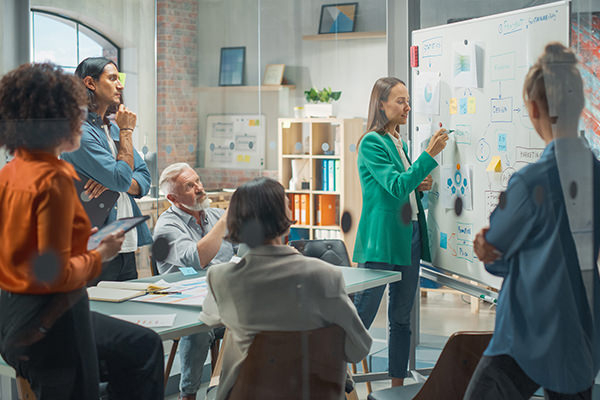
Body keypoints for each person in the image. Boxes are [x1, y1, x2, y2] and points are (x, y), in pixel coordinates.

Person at [0, 63, 164, 399]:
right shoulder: (53, 178)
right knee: (142, 349)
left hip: (13, 314)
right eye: (75, 111)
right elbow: (55, 274)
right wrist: (100, 253)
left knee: (141, 346)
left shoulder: (11, 173)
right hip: (53, 318)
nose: (82, 120)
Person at [465, 43, 600, 400]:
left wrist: (486, 249)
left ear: (535, 109)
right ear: (579, 106)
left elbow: (495, 247)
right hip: (581, 330)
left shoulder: (530, 182)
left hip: (526, 333)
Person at [199, 177, 372, 400]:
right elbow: (359, 348)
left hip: (250, 394)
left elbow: (210, 317)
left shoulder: (221, 278)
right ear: (286, 218)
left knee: (235, 335)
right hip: (316, 394)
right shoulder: (325, 275)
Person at [351, 77, 448, 386]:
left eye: (408, 101)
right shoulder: (371, 143)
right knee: (362, 317)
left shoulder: (400, 143)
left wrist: (419, 186)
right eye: (400, 101)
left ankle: (397, 387)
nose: (407, 107)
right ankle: (330, 377)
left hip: (411, 235)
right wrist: (429, 156)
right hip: (382, 240)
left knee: (402, 318)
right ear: (381, 105)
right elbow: (394, 186)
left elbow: (403, 188)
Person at [61, 57, 152, 283]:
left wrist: (111, 182)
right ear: (90, 83)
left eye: (119, 79)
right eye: (112, 79)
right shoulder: (79, 132)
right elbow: (120, 179)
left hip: (126, 244)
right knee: (97, 305)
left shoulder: (112, 129)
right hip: (94, 245)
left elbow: (144, 179)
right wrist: (127, 132)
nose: (120, 85)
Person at [153, 162, 236, 400]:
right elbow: (197, 259)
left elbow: (244, 248)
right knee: (198, 327)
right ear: (172, 198)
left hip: (227, 297)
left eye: (198, 181)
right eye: (189, 186)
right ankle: (188, 394)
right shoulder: (167, 226)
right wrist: (225, 221)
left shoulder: (214, 215)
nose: (199, 188)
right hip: (187, 305)